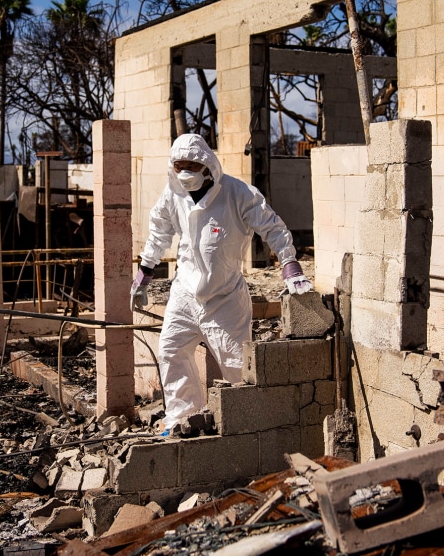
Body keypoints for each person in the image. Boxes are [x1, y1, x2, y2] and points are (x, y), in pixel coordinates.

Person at [131, 133, 313, 433]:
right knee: (171, 351)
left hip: (225, 298)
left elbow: (273, 228)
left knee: (236, 365)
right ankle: (182, 418)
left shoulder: (237, 193)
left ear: (206, 164)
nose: (185, 172)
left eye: (192, 165)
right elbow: (158, 232)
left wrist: (290, 266)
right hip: (185, 294)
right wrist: (144, 274)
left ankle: (248, 424)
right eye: (179, 166)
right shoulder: (172, 194)